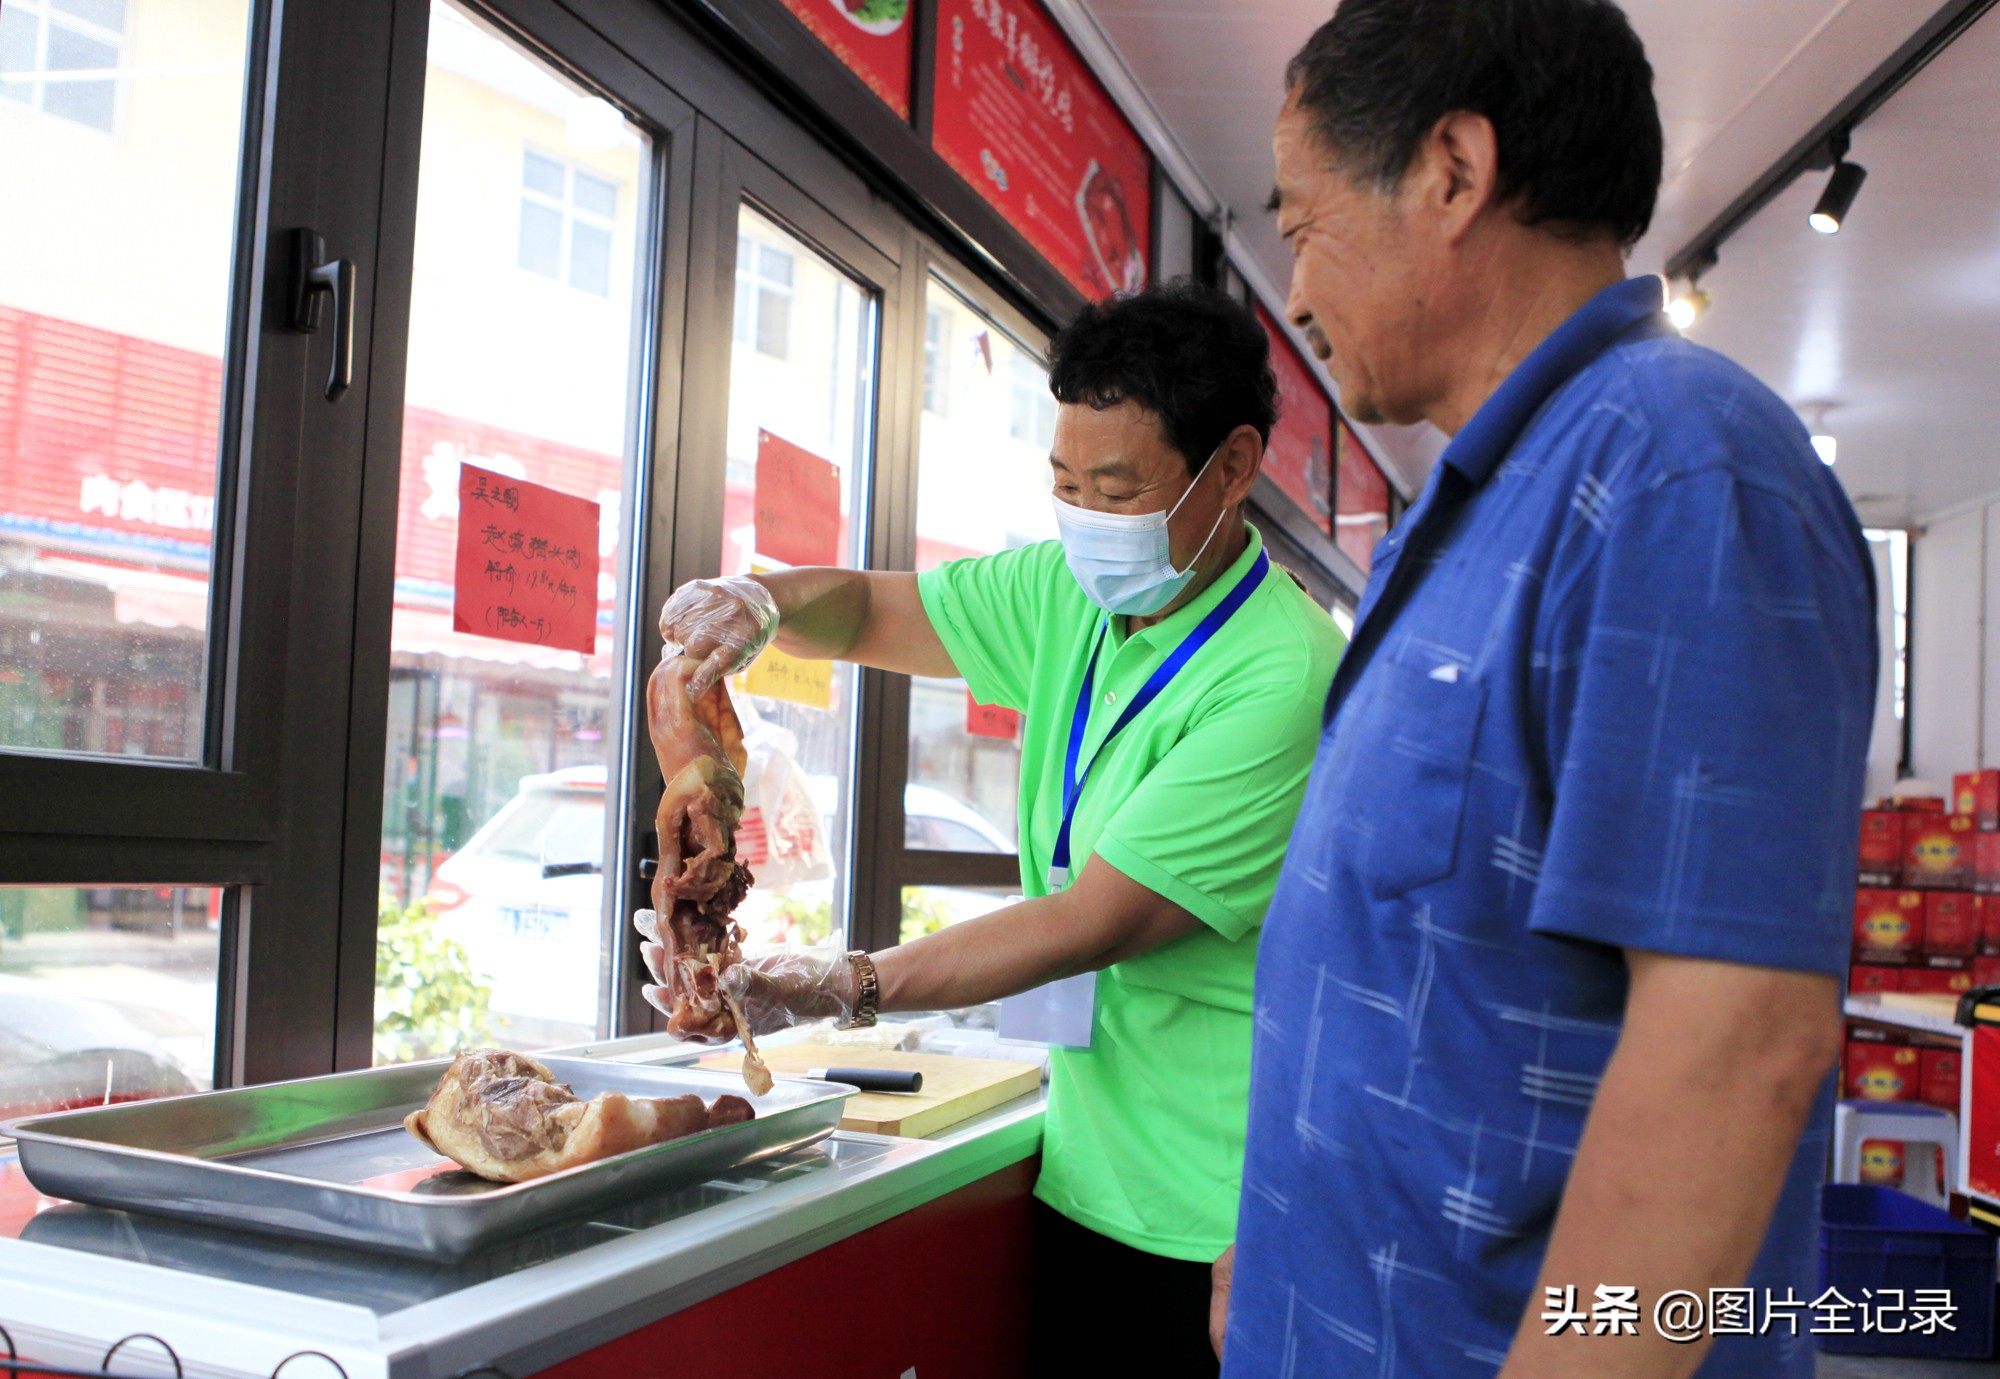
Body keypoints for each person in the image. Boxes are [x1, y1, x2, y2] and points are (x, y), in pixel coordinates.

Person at [1213, 3, 1876, 1378]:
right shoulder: (1460, 518)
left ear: (1453, 170)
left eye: (1304, 222)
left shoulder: (1682, 471)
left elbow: (1734, 1047)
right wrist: (1281, 1228)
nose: (1295, 290)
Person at [647, 280, 1345, 1377]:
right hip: (1084, 1164)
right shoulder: (1070, 590)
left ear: (1234, 467)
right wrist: (765, 603)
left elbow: (1093, 918)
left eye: (1115, 489)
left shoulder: (1281, 673)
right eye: (1064, 481)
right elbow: (876, 609)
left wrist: (841, 983)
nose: (1082, 517)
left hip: (1219, 1215)